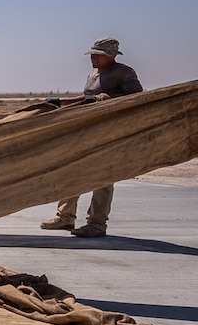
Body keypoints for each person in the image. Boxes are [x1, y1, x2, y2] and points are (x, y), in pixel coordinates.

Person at [39, 38, 145, 237]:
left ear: (112, 56)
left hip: (110, 132)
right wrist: (61, 101)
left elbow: (136, 98)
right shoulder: (94, 73)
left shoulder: (124, 73)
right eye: (92, 54)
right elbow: (86, 96)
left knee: (103, 177)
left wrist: (103, 99)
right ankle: (65, 217)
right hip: (87, 131)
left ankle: (97, 224)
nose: (93, 58)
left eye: (98, 54)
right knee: (71, 171)